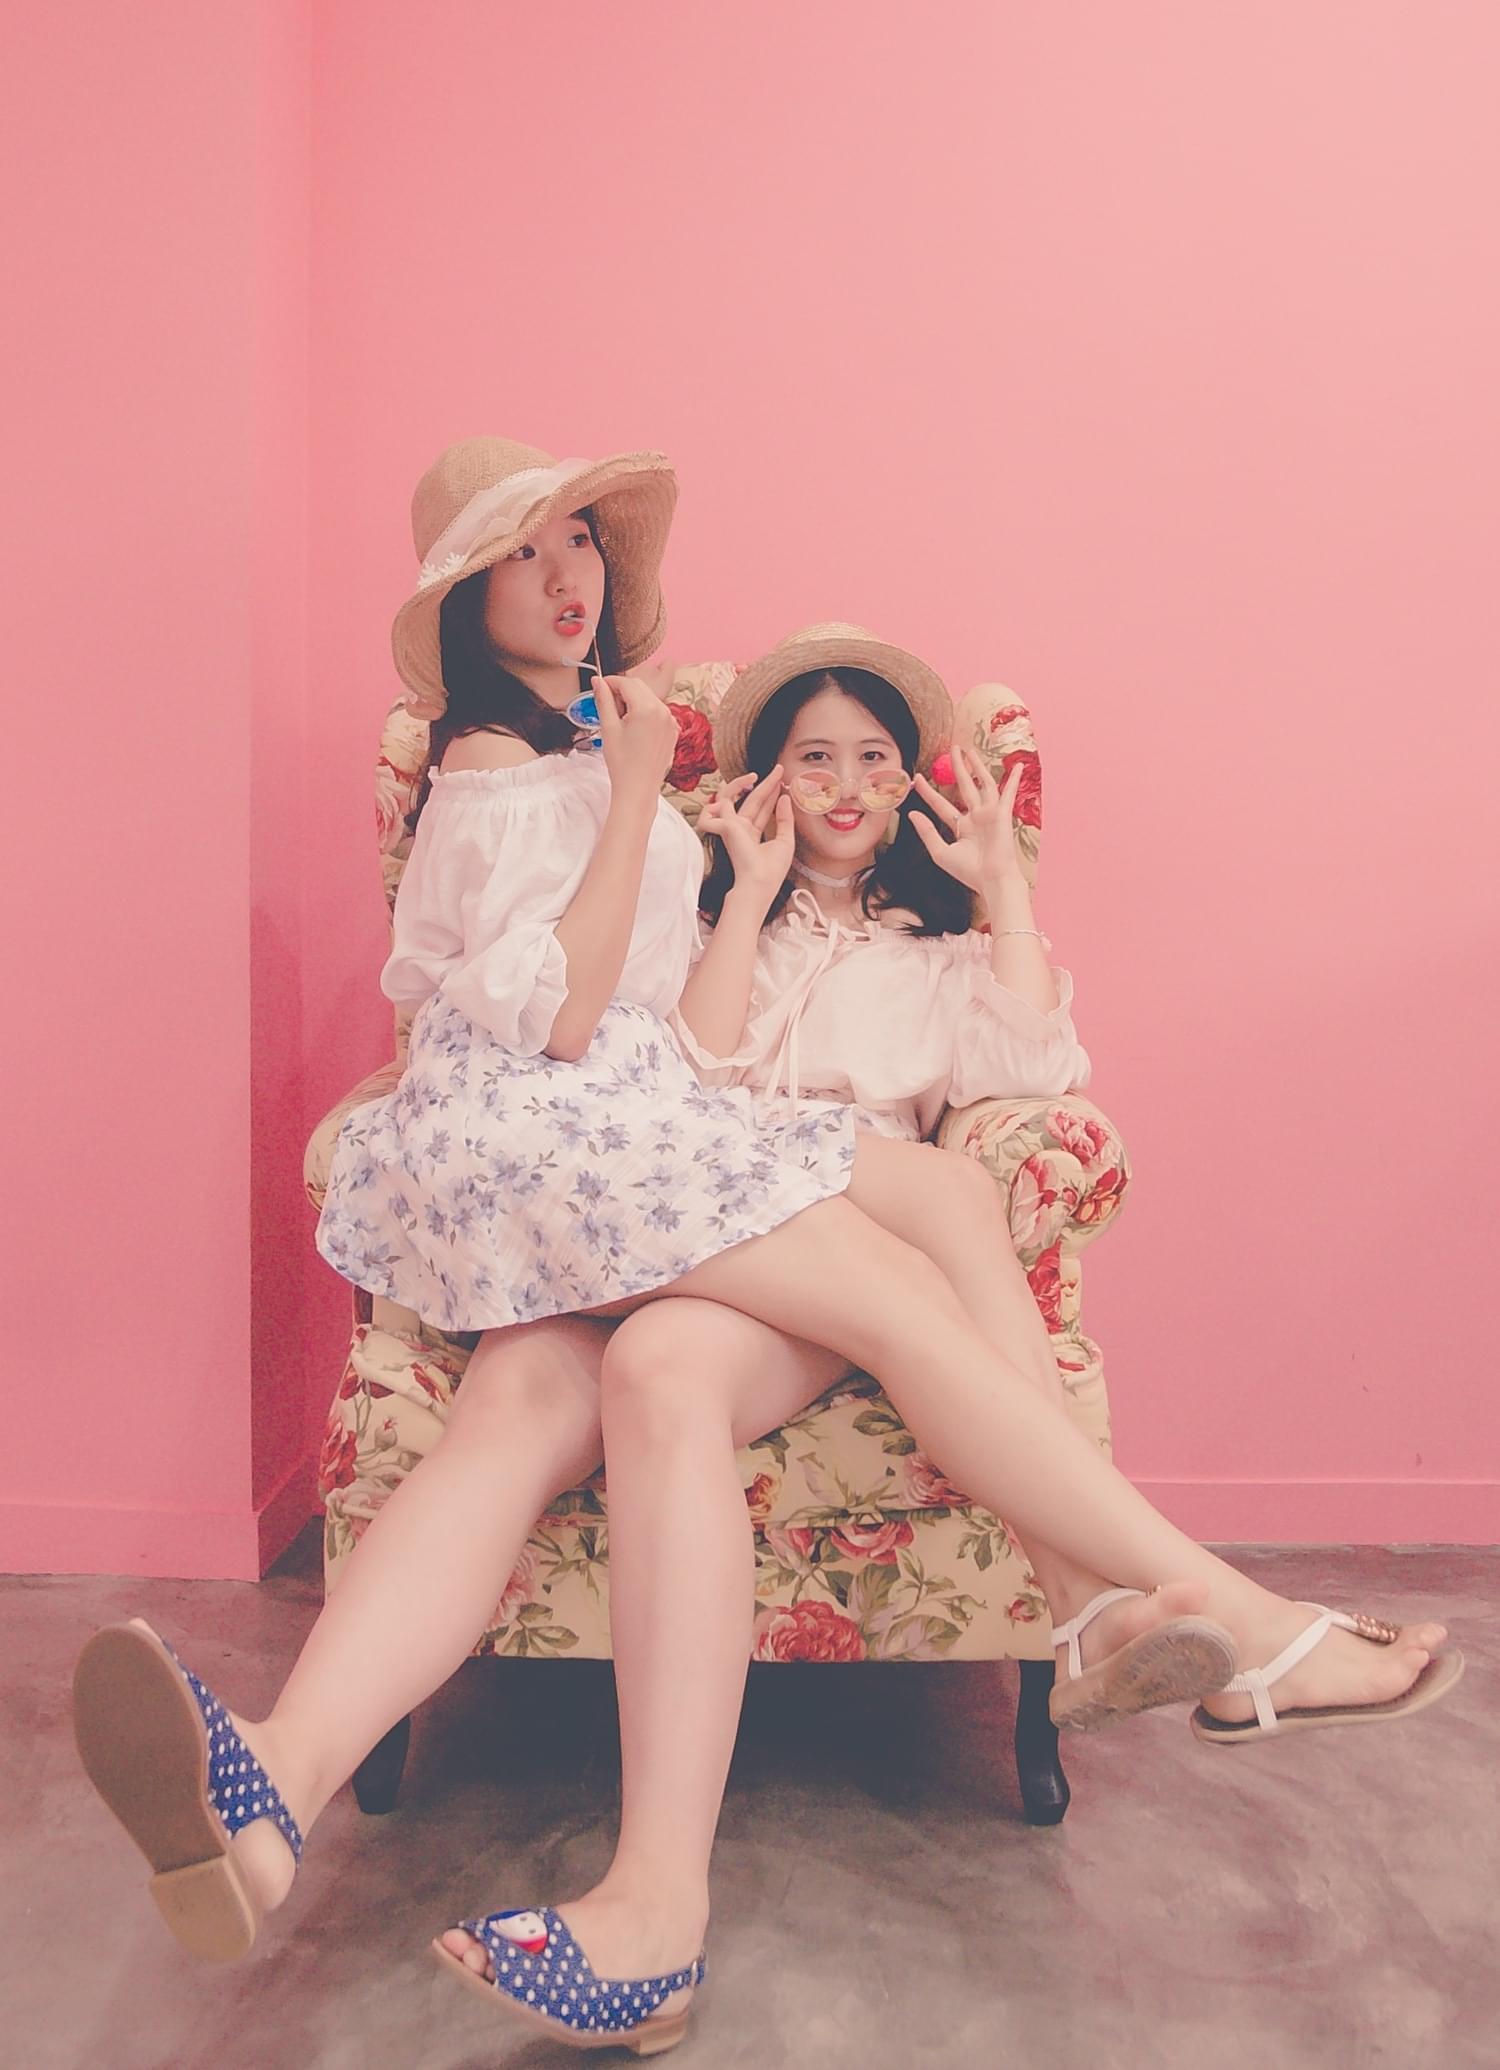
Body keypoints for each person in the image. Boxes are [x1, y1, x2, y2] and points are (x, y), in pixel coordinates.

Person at [72, 453, 1460, 2056]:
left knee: (529, 1408)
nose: (569, 573)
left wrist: (672, 810)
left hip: (594, 1145)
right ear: (463, 601)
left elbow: (660, 1007)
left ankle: (281, 1782)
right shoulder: (499, 765)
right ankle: (1210, 1617)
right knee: (902, 1283)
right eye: (523, 553)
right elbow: (575, 1013)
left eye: (580, 539)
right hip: (572, 1130)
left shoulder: (592, 750)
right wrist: (643, 793)